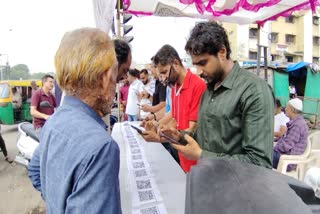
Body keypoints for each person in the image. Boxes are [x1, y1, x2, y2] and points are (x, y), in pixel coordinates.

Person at [28, 28, 122, 213]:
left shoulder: (54, 121)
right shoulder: (101, 147)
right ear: (104, 78)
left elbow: (34, 171)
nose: (114, 87)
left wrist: (56, 201)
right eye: (115, 78)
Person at [161, 21, 274, 168]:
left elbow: (259, 162)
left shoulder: (254, 90)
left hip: (237, 188)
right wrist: (179, 136)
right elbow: (205, 139)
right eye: (195, 65)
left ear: (222, 52)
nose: (199, 72)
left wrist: (201, 156)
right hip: (207, 180)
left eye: (203, 63)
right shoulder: (208, 90)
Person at [142, 44, 207, 173]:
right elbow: (175, 118)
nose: (164, 78)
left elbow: (191, 130)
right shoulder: (175, 88)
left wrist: (160, 138)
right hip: (182, 154)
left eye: (165, 72)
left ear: (176, 63)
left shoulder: (197, 85)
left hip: (194, 159)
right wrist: (158, 127)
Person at [273, 98, 308, 170]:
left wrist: (273, 148)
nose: (285, 109)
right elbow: (285, 138)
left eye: (287, 107)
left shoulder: (297, 125)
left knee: (261, 156)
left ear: (292, 109)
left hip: (287, 160)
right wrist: (274, 140)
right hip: (284, 155)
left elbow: (286, 145)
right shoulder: (296, 122)